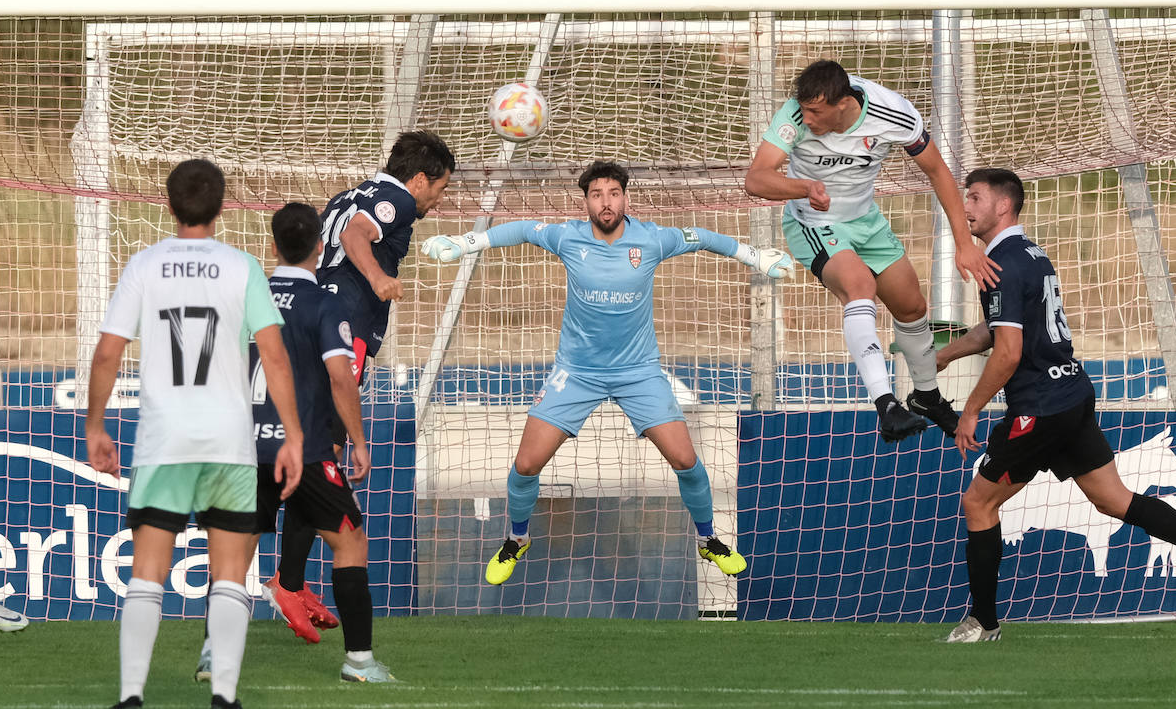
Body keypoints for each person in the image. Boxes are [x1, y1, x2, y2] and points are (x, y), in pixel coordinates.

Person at [421, 160, 792, 585]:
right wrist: (466, 242)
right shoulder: (568, 237)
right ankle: (516, 538)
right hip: (576, 373)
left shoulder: (651, 239)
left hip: (638, 372)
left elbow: (702, 237)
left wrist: (754, 256)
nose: (606, 202)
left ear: (625, 198)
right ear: (587, 203)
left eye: (613, 193)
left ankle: (708, 539)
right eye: (597, 195)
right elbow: (522, 228)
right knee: (525, 465)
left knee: (687, 461)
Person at [935, 168, 1176, 642]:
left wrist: (970, 410)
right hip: (1071, 394)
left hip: (1040, 407)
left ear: (1003, 206)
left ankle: (982, 622)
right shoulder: (1031, 254)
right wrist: (946, 353)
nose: (966, 206)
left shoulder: (1000, 263)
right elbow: (1001, 330)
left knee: (978, 502)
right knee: (1112, 499)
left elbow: (1008, 352)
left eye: (975, 197)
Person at [85, 159, 304, 709]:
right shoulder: (242, 267)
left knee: (147, 575)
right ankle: (224, 697)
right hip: (229, 445)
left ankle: (131, 696)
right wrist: (294, 435)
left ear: (169, 204)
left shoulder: (144, 265)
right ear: (222, 206)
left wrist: (94, 426)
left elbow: (108, 354)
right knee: (231, 574)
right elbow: (274, 359)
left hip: (165, 443)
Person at [743, 59, 1000, 443]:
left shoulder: (891, 111)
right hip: (813, 224)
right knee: (859, 286)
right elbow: (756, 177)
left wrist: (964, 243)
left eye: (816, 112)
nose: (807, 118)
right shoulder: (795, 114)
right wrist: (805, 188)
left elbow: (938, 172)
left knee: (912, 306)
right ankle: (886, 405)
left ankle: (927, 397)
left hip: (866, 221)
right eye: (805, 110)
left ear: (843, 104)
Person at [264, 131, 455, 641]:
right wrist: (375, 279)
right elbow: (354, 239)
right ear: (419, 179)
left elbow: (340, 235)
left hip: (310, 321)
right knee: (322, 460)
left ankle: (293, 582)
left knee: (318, 456)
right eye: (440, 188)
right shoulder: (395, 200)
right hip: (340, 334)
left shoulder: (355, 192)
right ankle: (286, 585)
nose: (439, 199)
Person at [195, 202, 394, 683]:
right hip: (301, 451)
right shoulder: (326, 304)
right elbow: (342, 379)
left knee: (234, 557)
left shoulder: (245, 299)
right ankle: (360, 662)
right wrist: (359, 442)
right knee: (349, 543)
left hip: (242, 450)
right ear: (321, 248)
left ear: (272, 246)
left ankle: (213, 653)